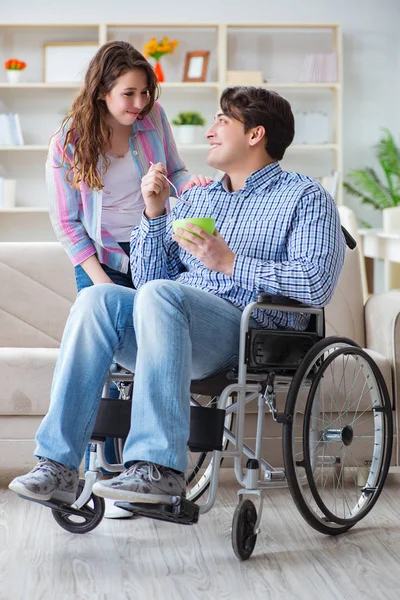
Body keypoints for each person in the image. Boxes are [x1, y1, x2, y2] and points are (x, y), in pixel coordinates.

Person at [9, 85, 346, 506]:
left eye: (222, 121)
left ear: (255, 135)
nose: (210, 131)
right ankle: (58, 465)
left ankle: (159, 468)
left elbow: (317, 282)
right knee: (98, 300)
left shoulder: (304, 196)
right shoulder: (197, 198)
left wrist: (229, 262)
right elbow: (150, 281)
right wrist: (153, 212)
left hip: (246, 334)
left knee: (165, 297)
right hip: (172, 324)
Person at [45, 40, 211, 500]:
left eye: (146, 94)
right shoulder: (68, 142)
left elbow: (174, 171)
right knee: (107, 365)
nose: (140, 105)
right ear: (102, 91)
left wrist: (187, 185)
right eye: (129, 94)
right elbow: (66, 224)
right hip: (102, 257)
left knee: (146, 359)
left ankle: (130, 481)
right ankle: (83, 476)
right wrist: (100, 282)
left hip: (153, 247)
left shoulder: (152, 120)